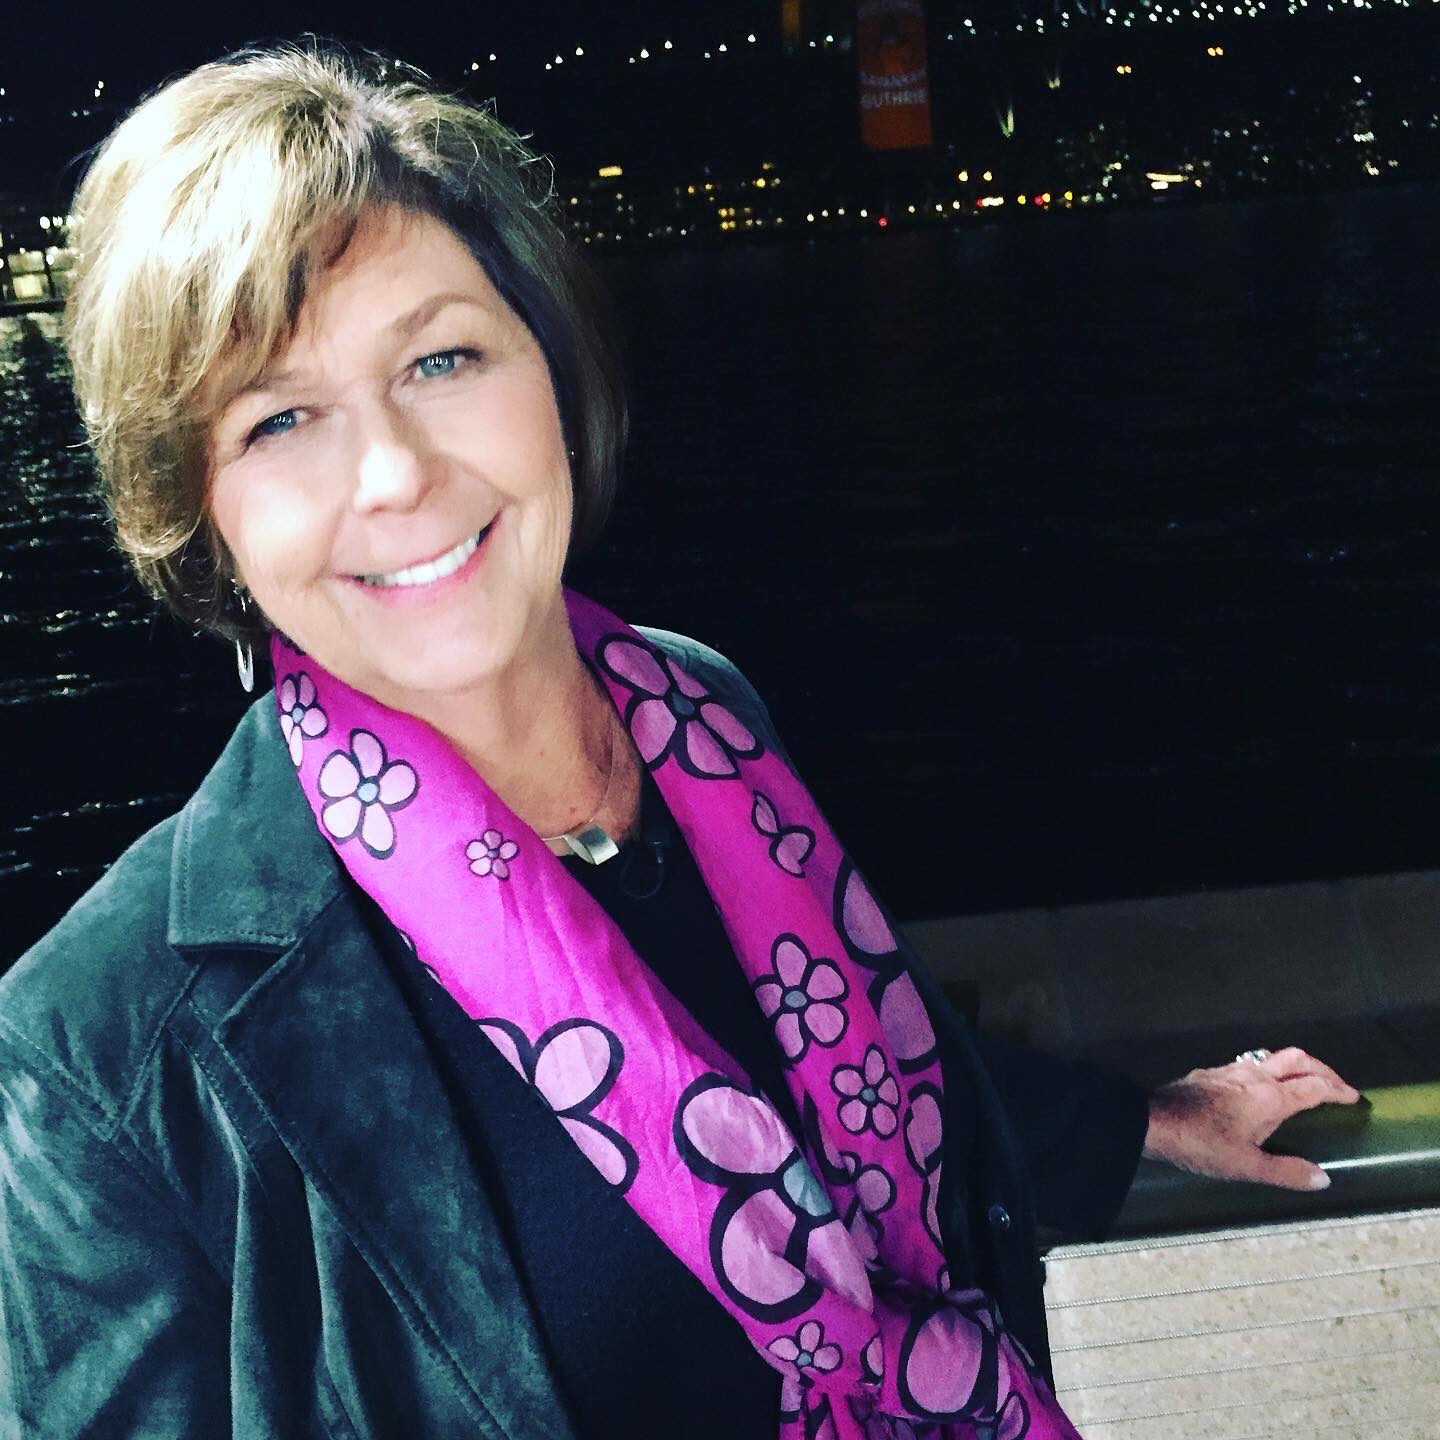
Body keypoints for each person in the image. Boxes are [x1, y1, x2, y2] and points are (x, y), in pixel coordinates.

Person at [0, 43, 1359, 1440]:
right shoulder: (99, 1054)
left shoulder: (702, 721)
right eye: (281, 418)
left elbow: (842, 1062)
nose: (394, 472)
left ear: (551, 366)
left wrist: (1144, 1122)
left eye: (442, 357)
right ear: (202, 511)